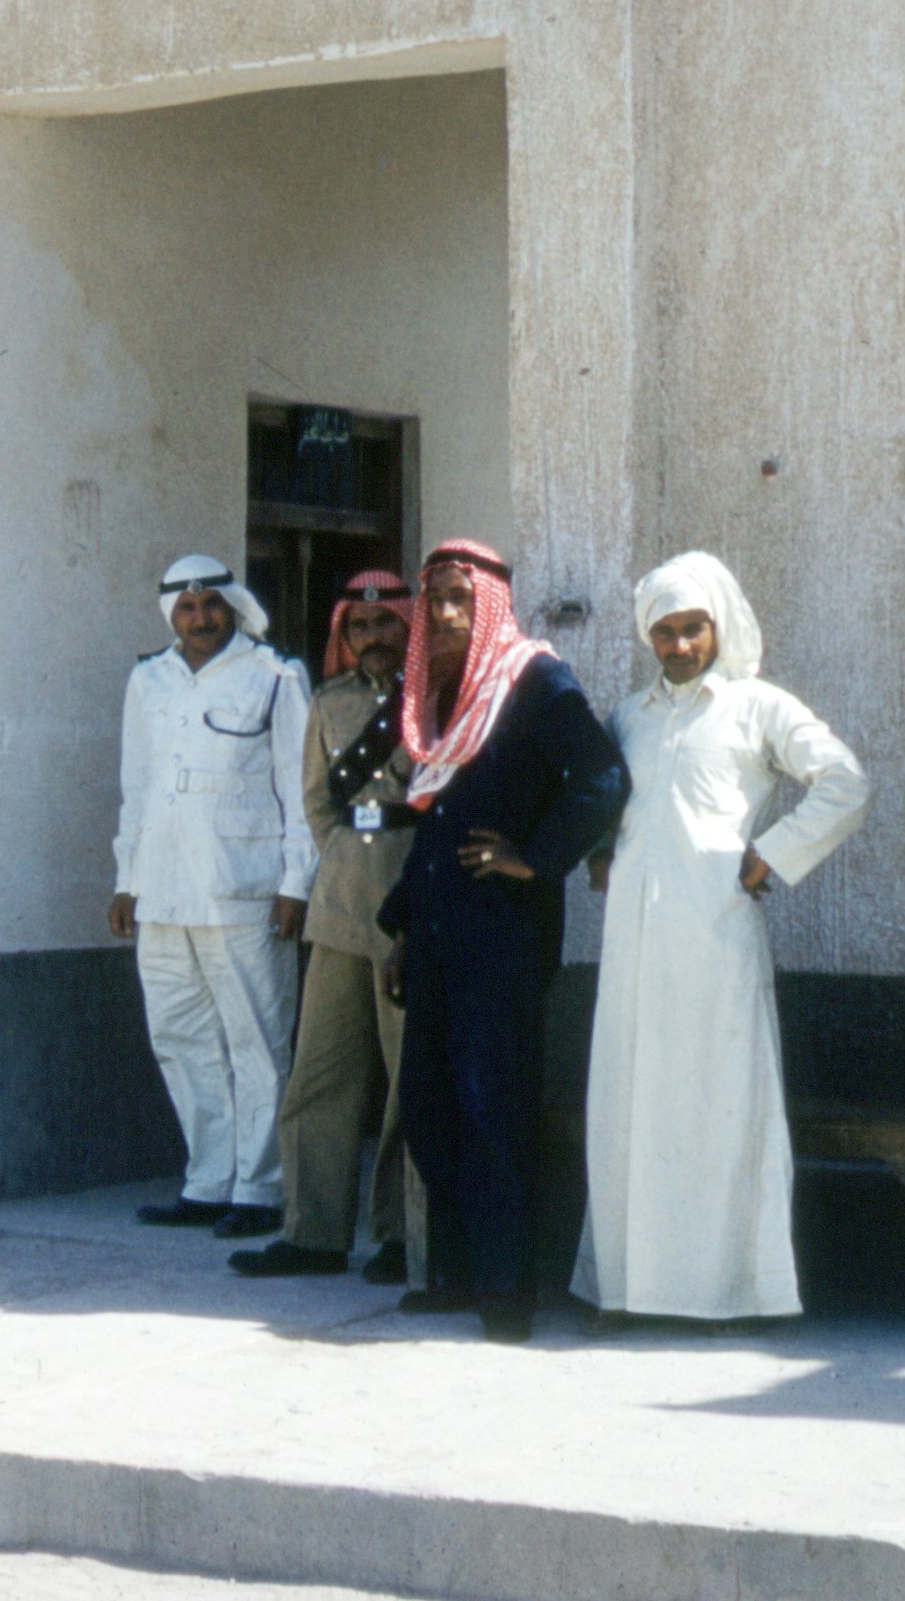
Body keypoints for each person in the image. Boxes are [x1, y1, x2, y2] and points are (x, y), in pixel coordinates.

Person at [575, 553, 868, 1326]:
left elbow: (845, 780)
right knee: (631, 1108)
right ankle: (630, 1290)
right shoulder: (631, 714)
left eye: (692, 629)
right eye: (664, 632)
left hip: (713, 940)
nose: (678, 646)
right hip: (635, 946)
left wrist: (773, 852)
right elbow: (608, 800)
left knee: (715, 1109)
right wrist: (601, 848)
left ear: (718, 626)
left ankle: (723, 1294)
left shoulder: (757, 706)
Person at [373, 541, 627, 1342]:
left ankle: (506, 1291)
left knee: (494, 1108)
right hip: (441, 931)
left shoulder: (536, 679)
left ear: (490, 603)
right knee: (429, 1103)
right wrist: (404, 926)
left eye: (460, 597)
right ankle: (457, 1274)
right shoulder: (440, 697)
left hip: (504, 934)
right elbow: (432, 824)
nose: (445, 612)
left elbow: (602, 779)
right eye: (435, 597)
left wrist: (536, 859)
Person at [110, 553, 316, 1239]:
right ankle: (207, 1180)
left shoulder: (274, 675)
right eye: (188, 608)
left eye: (212, 606)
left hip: (243, 889)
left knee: (256, 1038)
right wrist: (126, 879)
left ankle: (260, 1188)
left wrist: (296, 883)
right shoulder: (149, 680)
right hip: (164, 892)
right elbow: (136, 785)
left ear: (231, 606)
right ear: (172, 613)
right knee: (180, 1035)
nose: (201, 619)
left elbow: (300, 787)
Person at [231, 570, 423, 1283]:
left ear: (410, 626)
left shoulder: (433, 702)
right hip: (341, 901)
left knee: (409, 1076)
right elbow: (316, 801)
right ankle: (312, 1231)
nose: (374, 639)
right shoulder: (328, 702)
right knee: (321, 1068)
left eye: (388, 625)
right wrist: (343, 857)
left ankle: (404, 1233)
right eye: (360, 628)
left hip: (413, 893)